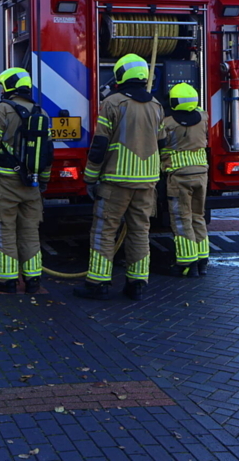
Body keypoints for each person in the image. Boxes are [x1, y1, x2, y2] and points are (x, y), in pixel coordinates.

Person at [75, 53, 166, 301]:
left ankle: (98, 283)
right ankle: (137, 284)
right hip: (147, 182)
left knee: (104, 231)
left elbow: (100, 145)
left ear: (120, 75)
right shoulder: (156, 106)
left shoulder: (112, 103)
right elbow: (162, 144)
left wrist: (90, 178)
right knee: (140, 231)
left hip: (116, 180)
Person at [0, 67, 52, 294]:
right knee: (30, 231)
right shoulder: (41, 112)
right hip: (32, 183)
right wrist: (43, 180)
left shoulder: (3, 110)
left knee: (5, 229)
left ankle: (6, 279)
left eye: (2, 87)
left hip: (6, 183)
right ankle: (33, 279)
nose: (1, 91)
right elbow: (48, 153)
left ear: (9, 87)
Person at [161, 83, 210, 277]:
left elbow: (157, 143)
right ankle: (203, 260)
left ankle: (187, 262)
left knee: (182, 219)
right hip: (201, 174)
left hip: (179, 175)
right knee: (198, 216)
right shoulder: (203, 118)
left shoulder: (167, 123)